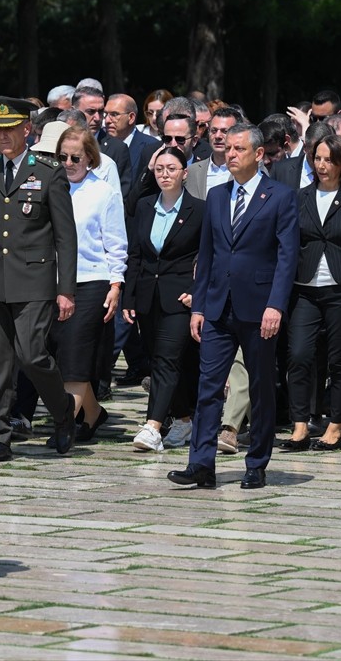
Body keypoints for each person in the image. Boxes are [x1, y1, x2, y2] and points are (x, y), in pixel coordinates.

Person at [169, 124, 299, 491]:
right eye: (228, 148)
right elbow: (207, 254)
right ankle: (201, 464)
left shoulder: (280, 196)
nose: (230, 154)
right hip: (217, 306)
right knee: (208, 387)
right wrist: (198, 304)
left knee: (260, 386)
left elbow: (287, 257)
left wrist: (276, 305)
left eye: (239, 149)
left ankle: (256, 462)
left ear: (259, 154)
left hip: (259, 307)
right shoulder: (217, 195)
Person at [0, 97, 78, 463]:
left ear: (27, 130)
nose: (0, 136)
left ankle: (63, 411)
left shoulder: (48, 171)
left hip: (34, 279)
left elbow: (65, 236)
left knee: (32, 355)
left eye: (8, 129)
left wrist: (66, 289)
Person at [283, 134, 341, 451]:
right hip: (304, 288)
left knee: (340, 361)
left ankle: (334, 425)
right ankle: (300, 425)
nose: (322, 165)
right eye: (317, 158)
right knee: (300, 355)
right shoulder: (300, 196)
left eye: (329, 159)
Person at [122, 146, 204, 452]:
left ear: (184, 173)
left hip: (181, 298)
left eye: (171, 169)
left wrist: (198, 292)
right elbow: (136, 255)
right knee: (163, 361)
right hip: (147, 297)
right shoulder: (144, 206)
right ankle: (183, 420)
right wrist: (129, 297)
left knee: (167, 360)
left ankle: (153, 426)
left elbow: (208, 257)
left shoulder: (200, 210)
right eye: (159, 169)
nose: (165, 174)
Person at [48, 127, 126, 440]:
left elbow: (115, 241)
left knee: (76, 356)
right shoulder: (50, 187)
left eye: (75, 157)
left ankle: (64, 424)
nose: (68, 162)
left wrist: (116, 284)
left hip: (92, 279)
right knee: (54, 355)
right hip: (52, 281)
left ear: (90, 158)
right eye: (62, 157)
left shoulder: (102, 192)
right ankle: (93, 413)